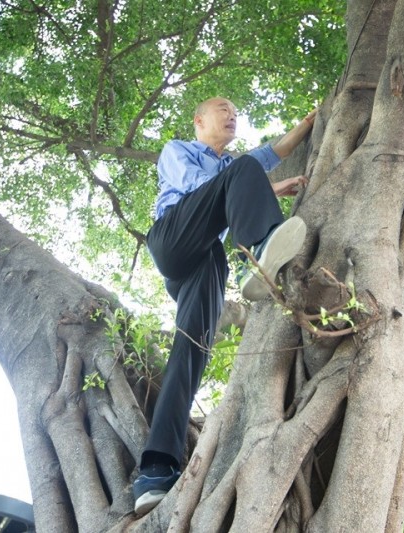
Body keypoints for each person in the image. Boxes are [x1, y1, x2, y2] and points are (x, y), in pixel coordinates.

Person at [133, 97, 316, 514]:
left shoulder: (236, 165)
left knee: (191, 353)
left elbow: (272, 153)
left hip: (206, 260)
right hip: (175, 239)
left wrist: (308, 123)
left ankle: (155, 471)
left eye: (236, 111)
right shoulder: (178, 150)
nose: (231, 114)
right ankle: (260, 245)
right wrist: (265, 186)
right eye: (222, 108)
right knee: (243, 169)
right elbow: (206, 185)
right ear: (198, 120)